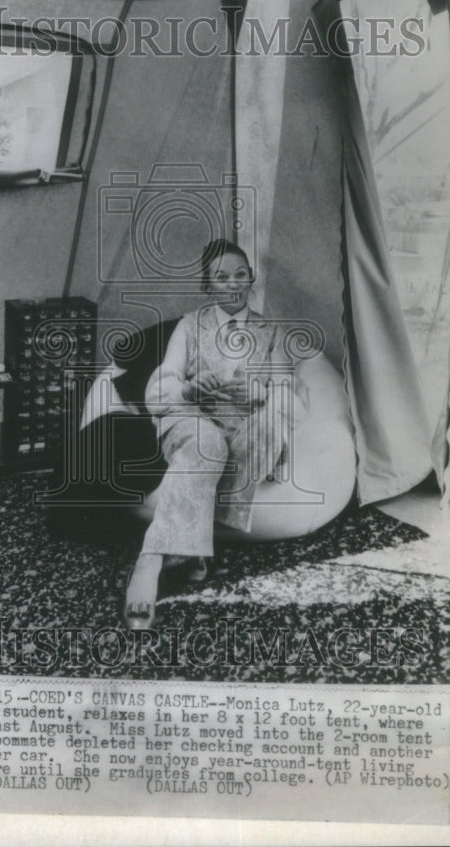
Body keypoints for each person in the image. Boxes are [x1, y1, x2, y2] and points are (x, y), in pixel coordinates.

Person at [124, 239, 307, 629]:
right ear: (207, 285)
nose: (233, 284)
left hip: (245, 428)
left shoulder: (270, 332)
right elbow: (160, 390)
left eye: (241, 275)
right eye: (221, 277)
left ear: (252, 280)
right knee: (208, 445)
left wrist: (261, 392)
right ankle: (151, 559)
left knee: (273, 418)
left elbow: (291, 397)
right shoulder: (190, 327)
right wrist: (189, 390)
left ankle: (191, 544)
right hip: (194, 419)